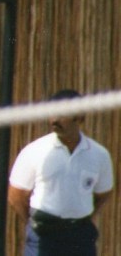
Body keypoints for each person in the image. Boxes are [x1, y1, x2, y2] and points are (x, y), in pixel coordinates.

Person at [7, 89, 114, 255]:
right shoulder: (36, 151)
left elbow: (103, 193)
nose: (54, 120)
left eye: (61, 114)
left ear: (79, 117)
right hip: (44, 234)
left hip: (79, 236)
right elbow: (16, 195)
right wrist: (32, 222)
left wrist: (80, 213)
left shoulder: (98, 155)